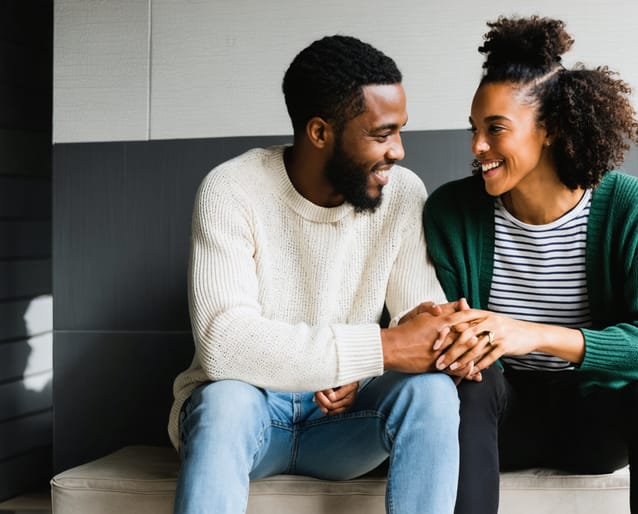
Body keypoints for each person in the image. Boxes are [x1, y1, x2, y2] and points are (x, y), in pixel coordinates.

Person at [170, 35, 466, 514]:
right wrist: (377, 348)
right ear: (320, 133)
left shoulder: (404, 194)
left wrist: (431, 344)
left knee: (432, 393)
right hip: (249, 419)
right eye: (381, 133)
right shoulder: (231, 189)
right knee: (225, 400)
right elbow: (224, 344)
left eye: (400, 131)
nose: (399, 151)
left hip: (345, 425)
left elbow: (418, 323)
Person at [424, 16, 638, 514]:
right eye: (474, 129)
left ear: (547, 130)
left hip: (593, 427)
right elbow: (446, 338)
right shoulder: (451, 212)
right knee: (471, 384)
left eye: (495, 129)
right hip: (495, 426)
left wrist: (532, 333)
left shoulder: (629, 206)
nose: (476, 146)